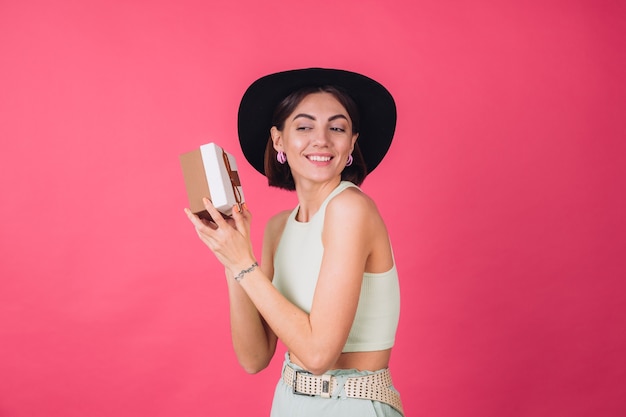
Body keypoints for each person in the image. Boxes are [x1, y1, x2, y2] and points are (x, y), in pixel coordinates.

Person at [184, 68, 403, 416]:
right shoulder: (277, 228)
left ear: (352, 143)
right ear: (278, 139)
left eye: (337, 127)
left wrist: (244, 264)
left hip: (351, 406)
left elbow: (318, 355)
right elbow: (254, 358)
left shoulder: (350, 209)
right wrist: (231, 255)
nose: (322, 139)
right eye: (304, 126)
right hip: (288, 401)